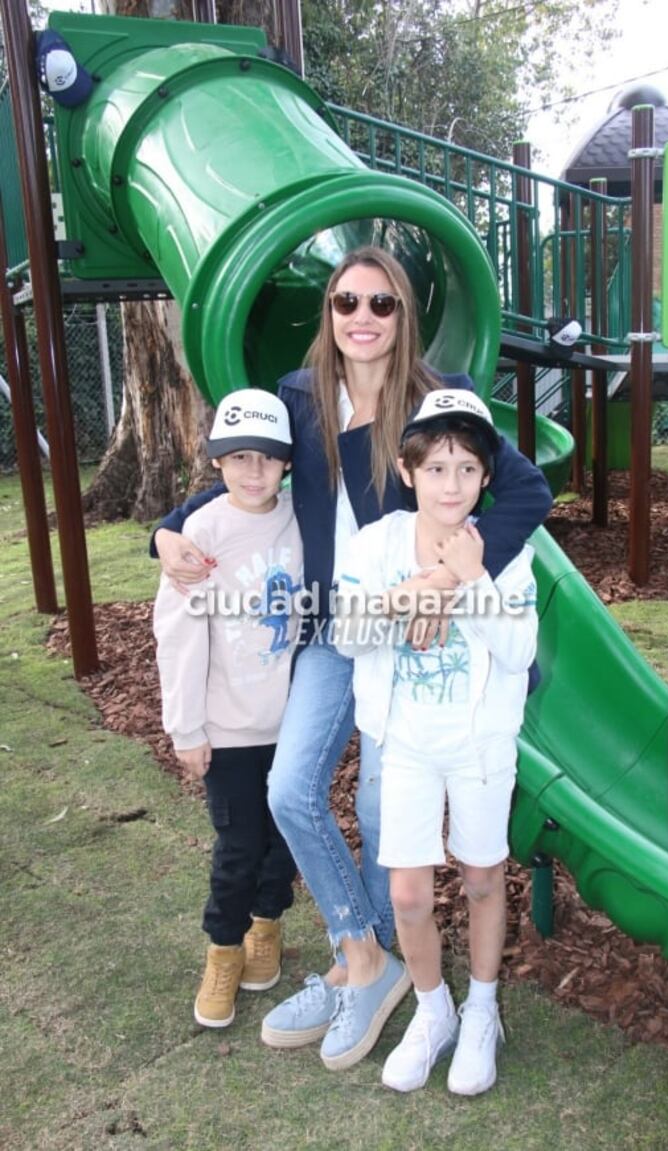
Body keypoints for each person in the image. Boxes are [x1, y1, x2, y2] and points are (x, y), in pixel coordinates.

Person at [152, 246, 552, 1070]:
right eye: (346, 303)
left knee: (380, 813)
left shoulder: (435, 401)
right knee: (290, 789)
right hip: (333, 628)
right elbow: (246, 472)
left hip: (406, 630)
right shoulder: (298, 398)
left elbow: (525, 492)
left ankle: (381, 973)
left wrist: (443, 579)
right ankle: (361, 955)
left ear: (403, 315)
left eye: (381, 304)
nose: (362, 319)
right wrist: (170, 523)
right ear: (327, 313)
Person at [333, 390, 537, 1095]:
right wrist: (408, 594)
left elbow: (516, 651)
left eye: (468, 470)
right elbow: (346, 634)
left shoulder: (501, 554)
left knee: (481, 876)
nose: (452, 485)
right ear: (406, 468)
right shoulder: (375, 545)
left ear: (485, 479)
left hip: (479, 745)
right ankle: (432, 1011)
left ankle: (481, 1008)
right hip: (407, 744)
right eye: (437, 467)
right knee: (410, 893)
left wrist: (469, 581)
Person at [153, 389, 302, 1030]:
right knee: (238, 845)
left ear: (287, 464)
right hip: (231, 727)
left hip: (293, 723)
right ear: (216, 462)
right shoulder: (201, 532)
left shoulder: (303, 519)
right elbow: (180, 634)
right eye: (237, 457)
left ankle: (265, 928)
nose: (251, 471)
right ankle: (223, 949)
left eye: (265, 458)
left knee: (284, 840)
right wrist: (186, 726)